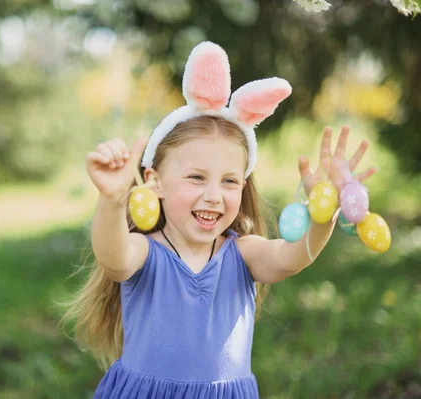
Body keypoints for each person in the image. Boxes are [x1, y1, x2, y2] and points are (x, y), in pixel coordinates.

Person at [61, 42, 376, 398]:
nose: (213, 194)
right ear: (154, 181)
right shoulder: (143, 252)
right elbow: (112, 256)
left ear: (243, 185)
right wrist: (112, 199)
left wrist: (325, 210)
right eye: (196, 177)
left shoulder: (242, 253)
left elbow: (292, 257)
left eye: (228, 181)